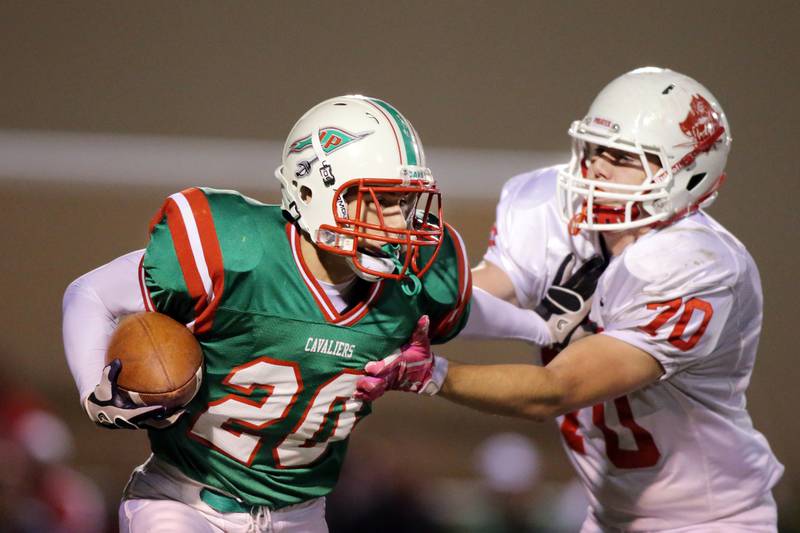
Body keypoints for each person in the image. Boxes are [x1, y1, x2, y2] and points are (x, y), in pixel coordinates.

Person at [358, 67, 784, 532]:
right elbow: (476, 292)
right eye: (597, 148)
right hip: (604, 515)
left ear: (689, 174)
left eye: (623, 156)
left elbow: (556, 390)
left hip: (712, 520)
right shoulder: (551, 207)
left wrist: (432, 373)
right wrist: (380, 305)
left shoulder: (699, 266)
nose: (598, 166)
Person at [62, 95, 471, 532]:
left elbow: (496, 320)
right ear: (314, 190)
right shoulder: (237, 251)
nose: (398, 222)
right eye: (380, 200)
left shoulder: (415, 280)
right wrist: (93, 391)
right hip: (183, 502)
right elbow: (91, 293)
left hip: (301, 517)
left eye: (405, 202)